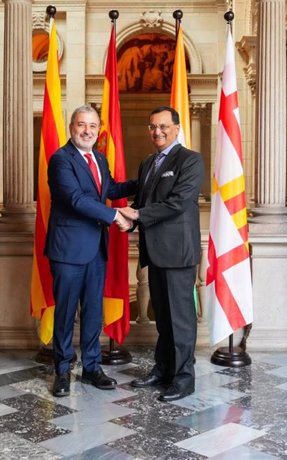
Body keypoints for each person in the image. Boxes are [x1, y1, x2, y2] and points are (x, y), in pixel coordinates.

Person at [45, 105, 137, 397]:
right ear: (71, 127)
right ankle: (61, 370)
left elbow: (108, 190)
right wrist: (115, 216)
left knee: (93, 312)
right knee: (66, 312)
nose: (87, 131)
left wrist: (147, 178)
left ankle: (92, 367)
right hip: (68, 250)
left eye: (93, 126)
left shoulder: (99, 157)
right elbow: (75, 199)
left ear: (99, 130)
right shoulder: (61, 159)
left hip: (96, 249)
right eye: (81, 125)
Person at [119, 106, 204, 402]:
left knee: (180, 318)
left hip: (178, 252)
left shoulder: (190, 160)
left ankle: (183, 378)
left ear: (177, 128)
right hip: (154, 252)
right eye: (153, 126)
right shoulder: (148, 162)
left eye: (164, 126)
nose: (157, 131)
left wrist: (137, 213)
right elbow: (139, 193)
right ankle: (163, 369)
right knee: (164, 317)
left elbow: (178, 202)